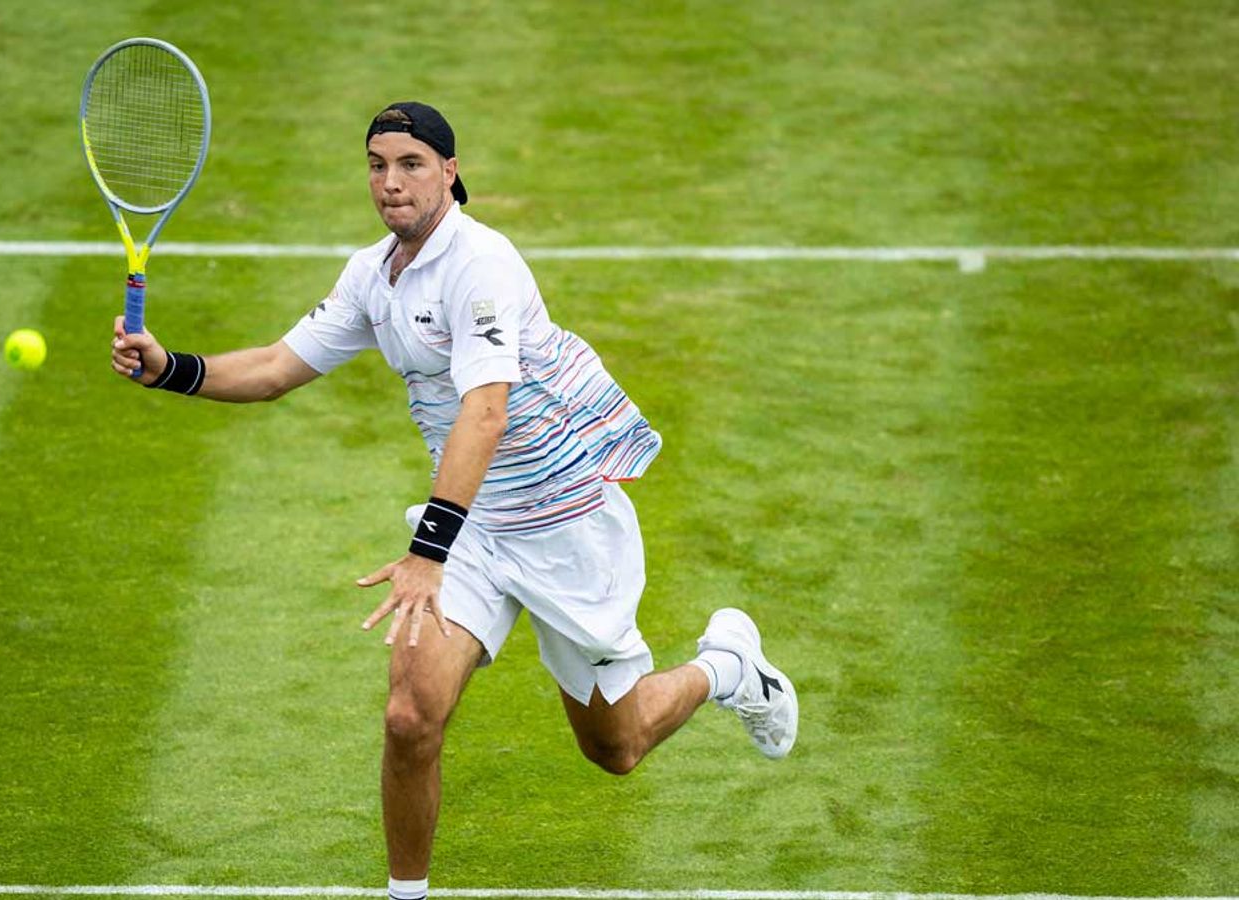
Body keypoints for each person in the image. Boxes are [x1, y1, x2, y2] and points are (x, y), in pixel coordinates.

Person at [110, 101, 798, 897]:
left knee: (617, 745)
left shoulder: (483, 267)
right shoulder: (374, 275)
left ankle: (726, 668)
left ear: (449, 171)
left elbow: (486, 409)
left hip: (562, 520)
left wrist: (425, 551)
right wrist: (173, 368)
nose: (390, 183)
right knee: (409, 718)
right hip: (471, 530)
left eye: (410, 164)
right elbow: (273, 368)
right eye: (376, 164)